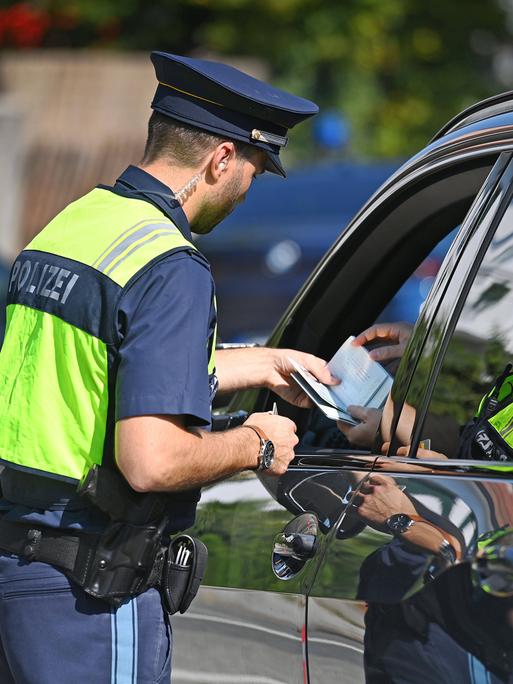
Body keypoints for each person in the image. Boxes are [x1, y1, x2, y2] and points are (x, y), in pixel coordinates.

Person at [0, 52, 338, 683]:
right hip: (91, 591)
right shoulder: (170, 266)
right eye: (255, 172)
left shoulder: (73, 227)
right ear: (221, 160)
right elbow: (151, 460)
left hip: (22, 571)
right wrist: (253, 444)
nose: (244, 192)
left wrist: (254, 362)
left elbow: (92, 369)